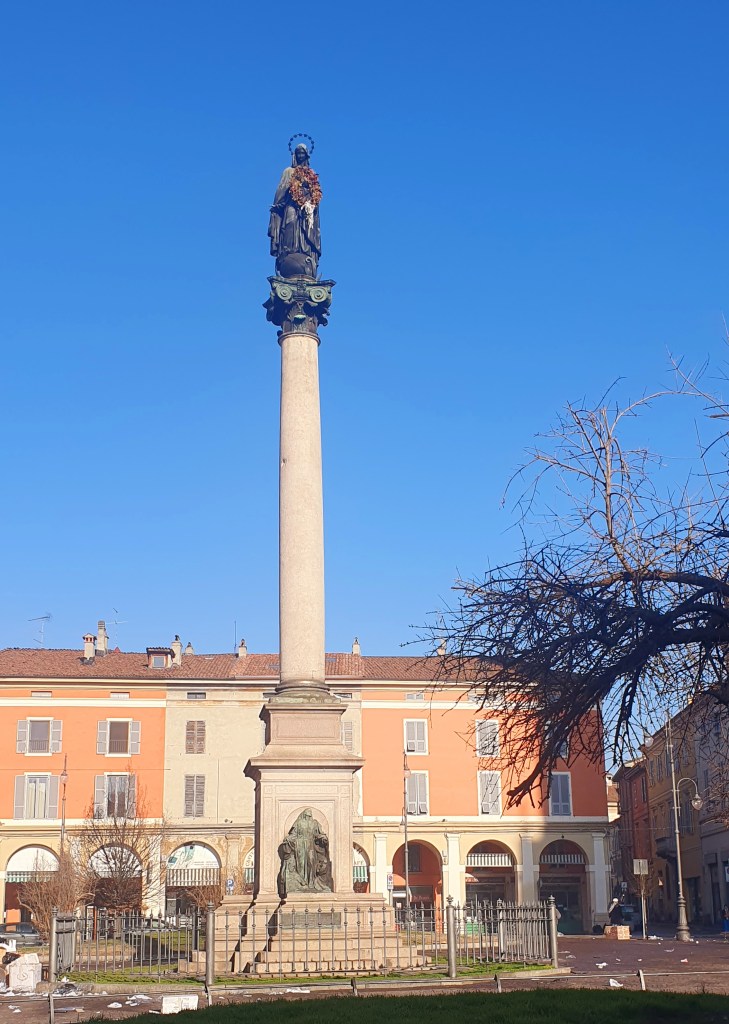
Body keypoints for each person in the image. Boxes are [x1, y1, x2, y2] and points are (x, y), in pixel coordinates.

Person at [268, 144, 322, 277]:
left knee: (307, 232)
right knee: (290, 224)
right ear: (294, 155)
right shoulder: (289, 171)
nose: (300, 155)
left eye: (302, 153)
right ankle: (288, 253)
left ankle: (306, 253)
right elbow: (282, 189)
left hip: (307, 208)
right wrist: (278, 204)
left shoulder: (311, 174)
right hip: (291, 204)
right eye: (298, 153)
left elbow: (316, 193)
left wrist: (310, 202)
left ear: (306, 155)